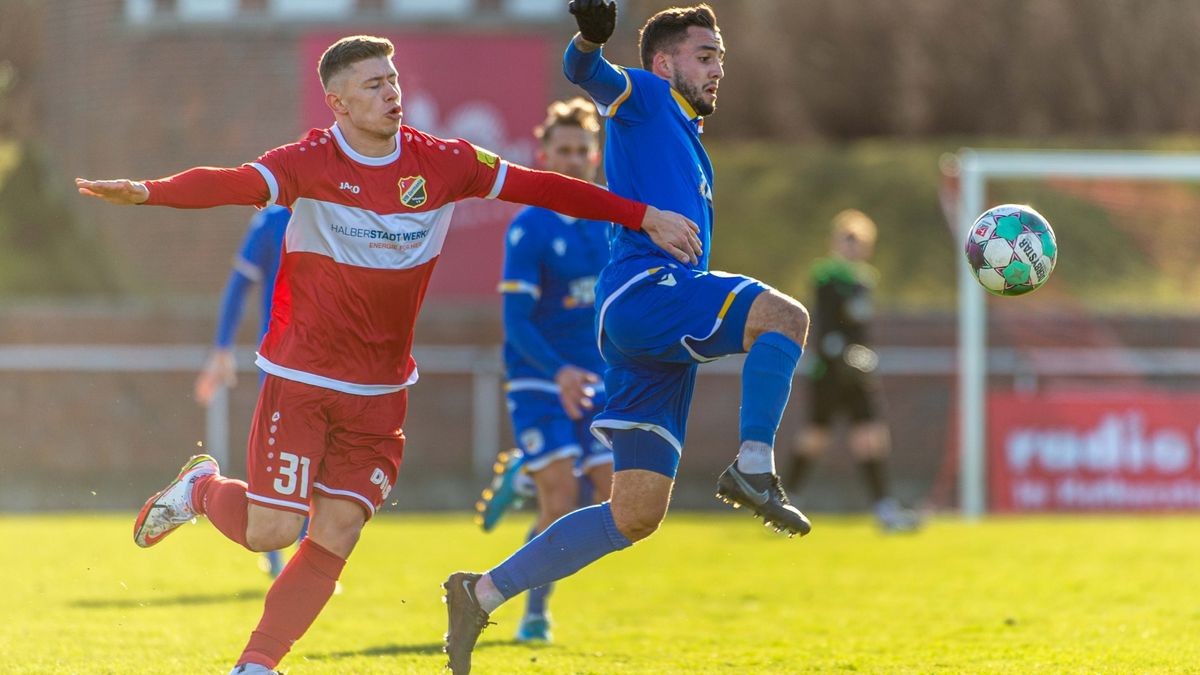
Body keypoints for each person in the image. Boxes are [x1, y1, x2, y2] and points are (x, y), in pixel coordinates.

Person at [75, 34, 700, 675]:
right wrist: (151, 191)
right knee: (273, 532)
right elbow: (231, 183)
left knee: (336, 533)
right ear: (337, 102)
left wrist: (641, 215)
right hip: (302, 378)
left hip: (380, 394)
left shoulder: (445, 162)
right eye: (373, 85)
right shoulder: (308, 161)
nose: (391, 94)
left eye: (393, 80)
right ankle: (203, 489)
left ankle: (256, 665)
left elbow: (544, 188)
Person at [444, 5, 812, 672]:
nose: (718, 67)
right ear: (666, 62)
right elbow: (583, 70)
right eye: (706, 55)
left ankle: (481, 590)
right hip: (647, 294)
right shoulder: (645, 96)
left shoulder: (686, 132)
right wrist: (589, 36)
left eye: (720, 56)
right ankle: (754, 463)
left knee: (632, 513)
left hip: (643, 331)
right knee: (786, 318)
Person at [476, 97, 616, 643]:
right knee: (561, 497)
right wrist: (558, 371)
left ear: (596, 154)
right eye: (563, 150)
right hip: (539, 375)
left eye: (583, 149)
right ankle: (535, 611)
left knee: (609, 503)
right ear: (544, 154)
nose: (574, 159)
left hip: (598, 378)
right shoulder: (530, 226)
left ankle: (523, 474)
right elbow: (516, 322)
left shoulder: (610, 219)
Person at [785, 209, 920, 532]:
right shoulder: (826, 276)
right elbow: (825, 323)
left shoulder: (864, 280)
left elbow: (861, 330)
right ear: (834, 241)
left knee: (872, 437)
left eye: (859, 241)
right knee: (815, 437)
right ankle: (786, 499)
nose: (852, 246)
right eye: (847, 239)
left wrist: (862, 357)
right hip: (830, 371)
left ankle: (885, 509)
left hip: (858, 371)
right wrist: (836, 351)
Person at [193, 204, 301, 578]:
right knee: (279, 459)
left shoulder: (343, 213)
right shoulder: (274, 220)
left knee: (323, 463)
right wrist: (222, 348)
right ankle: (276, 556)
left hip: (333, 364)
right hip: (281, 361)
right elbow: (240, 283)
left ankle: (301, 560)